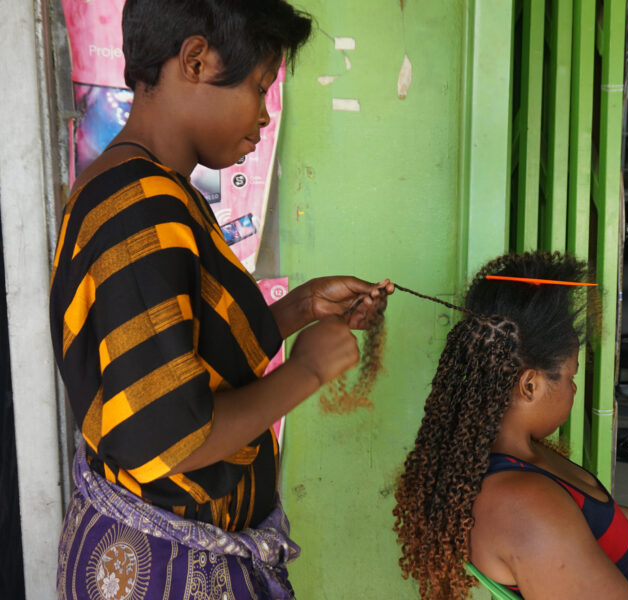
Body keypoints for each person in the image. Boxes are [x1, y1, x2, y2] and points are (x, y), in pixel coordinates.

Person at [50, 1, 392, 598]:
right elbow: (170, 436)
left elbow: (181, 351)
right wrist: (308, 369)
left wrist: (303, 307)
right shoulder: (140, 207)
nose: (263, 117)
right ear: (196, 60)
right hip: (166, 568)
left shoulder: (145, 189)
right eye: (260, 88)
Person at [393, 252, 628, 600]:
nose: (574, 388)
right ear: (529, 385)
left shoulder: (513, 457)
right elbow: (553, 520)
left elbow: (575, 514)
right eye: (570, 375)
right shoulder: (522, 504)